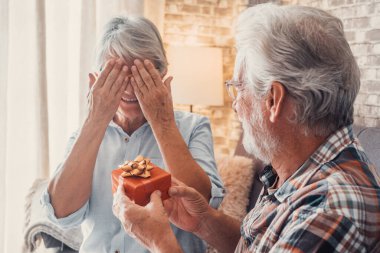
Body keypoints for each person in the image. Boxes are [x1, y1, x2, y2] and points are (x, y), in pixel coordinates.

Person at [112, 3, 380, 253]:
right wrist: (204, 222)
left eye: (238, 89)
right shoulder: (298, 170)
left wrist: (160, 241)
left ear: (273, 100)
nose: (236, 106)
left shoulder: (326, 212)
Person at [41, 16, 224, 253]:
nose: (128, 88)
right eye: (117, 74)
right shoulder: (84, 135)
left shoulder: (193, 127)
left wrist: (163, 121)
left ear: (162, 75)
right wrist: (95, 120)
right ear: (96, 80)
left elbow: (203, 210)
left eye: (139, 74)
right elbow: (61, 213)